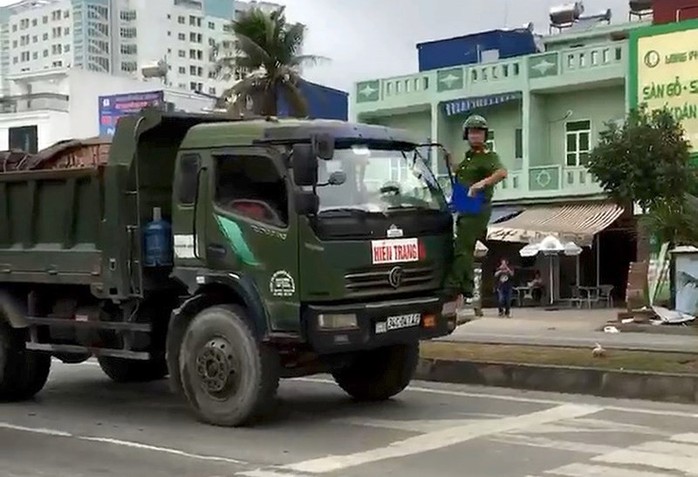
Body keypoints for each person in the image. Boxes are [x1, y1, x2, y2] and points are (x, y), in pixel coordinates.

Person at [445, 114, 508, 304]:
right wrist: (450, 161)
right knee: (462, 245)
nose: (475, 136)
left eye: (479, 132)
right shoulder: (469, 157)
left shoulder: (489, 156)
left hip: (477, 204)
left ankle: (454, 284)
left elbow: (502, 172)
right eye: (472, 132)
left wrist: (479, 185)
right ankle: (467, 286)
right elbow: (462, 172)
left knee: (463, 247)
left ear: (485, 135)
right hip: (463, 203)